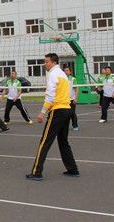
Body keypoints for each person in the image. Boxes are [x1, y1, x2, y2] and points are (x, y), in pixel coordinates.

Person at [26, 53, 79, 181]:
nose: (45, 64)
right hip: (67, 110)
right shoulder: (62, 74)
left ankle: (37, 172)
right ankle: (73, 169)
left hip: (58, 111)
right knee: (63, 141)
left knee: (45, 141)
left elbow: (50, 95)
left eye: (47, 61)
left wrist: (43, 112)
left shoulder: (53, 74)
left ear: (54, 62)